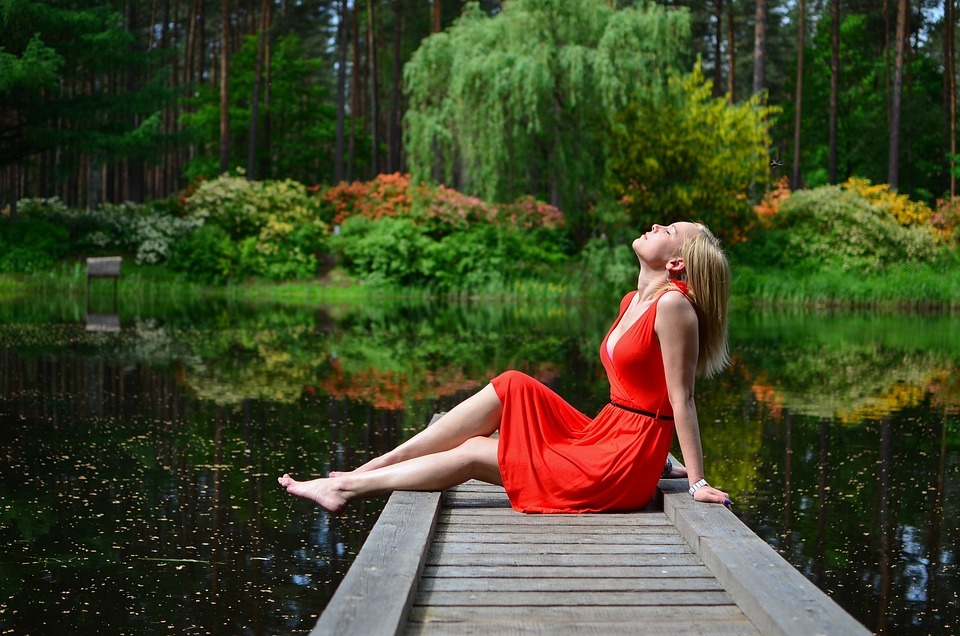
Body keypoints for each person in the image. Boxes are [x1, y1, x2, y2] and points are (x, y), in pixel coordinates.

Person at [278, 221, 732, 513]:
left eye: (670, 229)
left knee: (476, 452)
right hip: (607, 434)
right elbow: (642, 391)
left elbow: (681, 399)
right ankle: (381, 462)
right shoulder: (632, 301)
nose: (656, 224)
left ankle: (346, 490)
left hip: (618, 463)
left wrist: (696, 482)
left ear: (676, 262)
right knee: (513, 383)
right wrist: (659, 462)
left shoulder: (676, 308)